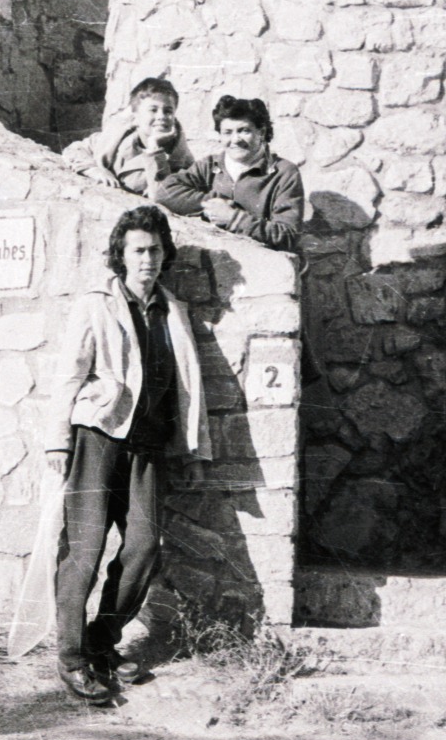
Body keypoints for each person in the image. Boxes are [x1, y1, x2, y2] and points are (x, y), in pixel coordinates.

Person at [40, 205, 210, 703]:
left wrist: (194, 450)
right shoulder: (97, 304)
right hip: (98, 438)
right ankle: (72, 658)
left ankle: (100, 640)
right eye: (138, 250)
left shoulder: (172, 310)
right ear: (121, 255)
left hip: (148, 447)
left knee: (143, 546)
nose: (147, 259)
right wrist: (58, 440)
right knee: (85, 549)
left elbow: (189, 385)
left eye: (155, 250)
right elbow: (70, 374)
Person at [156, 95, 303, 252]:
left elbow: (288, 236)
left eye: (244, 131)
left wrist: (234, 218)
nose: (235, 139)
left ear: (261, 132)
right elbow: (164, 193)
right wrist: (215, 204)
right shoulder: (209, 165)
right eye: (227, 132)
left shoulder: (283, 172)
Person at [62, 77, 194, 198]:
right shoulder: (118, 138)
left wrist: (154, 149)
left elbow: (163, 194)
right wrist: (95, 170)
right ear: (136, 115)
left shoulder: (183, 161)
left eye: (168, 111)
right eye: (153, 110)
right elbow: (75, 150)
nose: (161, 116)